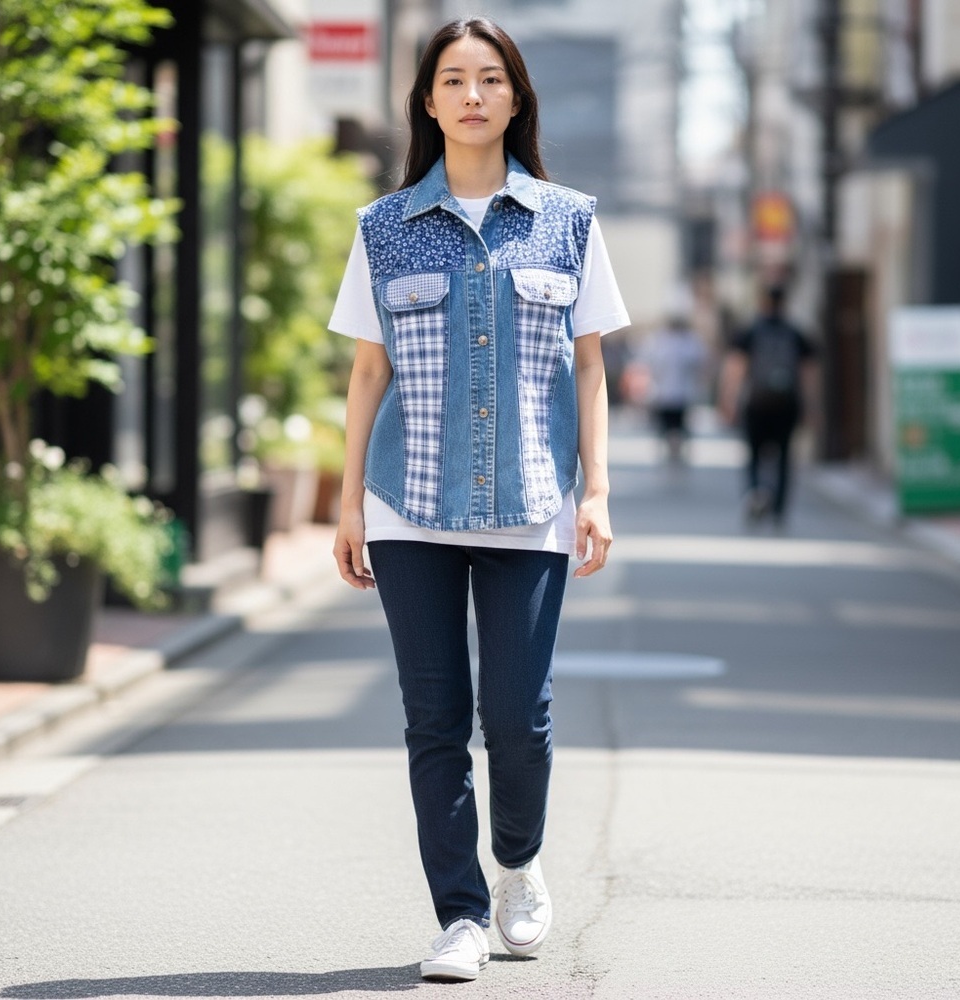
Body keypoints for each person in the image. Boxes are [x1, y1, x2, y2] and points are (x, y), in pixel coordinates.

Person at [328, 16, 629, 983]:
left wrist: (597, 491)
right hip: (406, 503)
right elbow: (367, 377)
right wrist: (344, 507)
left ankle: (519, 861)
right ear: (427, 101)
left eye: (489, 78)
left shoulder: (570, 220)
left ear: (515, 96)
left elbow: (589, 369)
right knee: (433, 718)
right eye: (452, 79)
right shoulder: (383, 228)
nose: (471, 95)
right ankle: (458, 915)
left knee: (518, 714)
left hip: (532, 501)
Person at [719, 284, 817, 524]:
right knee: (784, 456)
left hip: (756, 403)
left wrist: (728, 400)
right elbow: (809, 374)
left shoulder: (750, 331)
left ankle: (755, 494)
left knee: (753, 454)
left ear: (763, 302)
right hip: (788, 404)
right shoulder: (796, 333)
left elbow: (736, 368)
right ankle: (779, 509)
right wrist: (811, 406)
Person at [635, 313, 708, 463]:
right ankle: (674, 449)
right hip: (674, 392)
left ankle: (675, 449)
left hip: (672, 392)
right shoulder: (685, 341)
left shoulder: (666, 341)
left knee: (674, 425)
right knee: (672, 424)